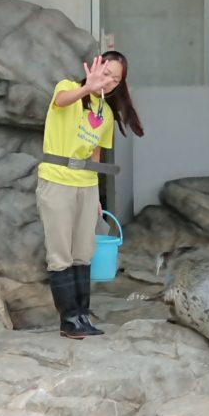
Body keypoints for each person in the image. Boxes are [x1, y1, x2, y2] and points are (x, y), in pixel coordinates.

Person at [37, 50, 144, 339]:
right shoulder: (68, 88)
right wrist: (87, 88)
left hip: (85, 183)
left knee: (84, 252)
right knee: (61, 253)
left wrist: (96, 196)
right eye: (105, 72)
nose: (108, 80)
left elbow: (95, 154)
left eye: (115, 78)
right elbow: (60, 102)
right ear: (94, 68)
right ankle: (68, 319)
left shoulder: (106, 113)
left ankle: (82, 315)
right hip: (57, 178)